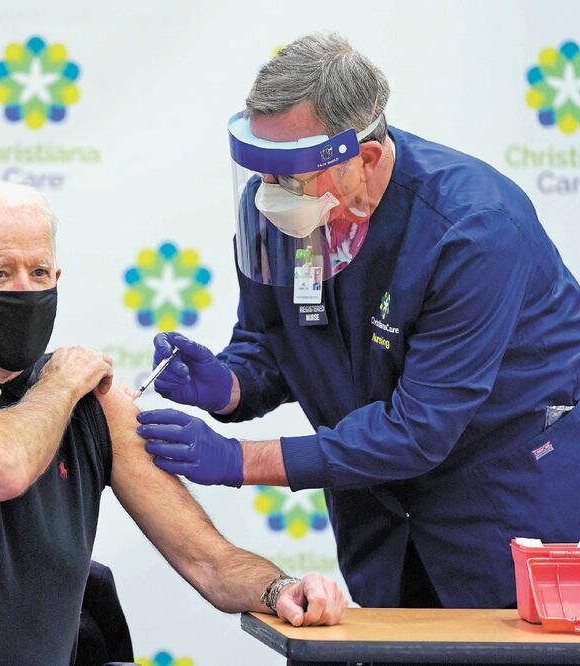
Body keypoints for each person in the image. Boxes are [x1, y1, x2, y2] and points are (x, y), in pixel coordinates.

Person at [137, 32, 580, 610]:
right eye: (262, 173)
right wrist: (230, 385)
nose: (269, 196)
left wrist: (240, 460)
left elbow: (420, 428)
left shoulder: (474, 229)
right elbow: (276, 344)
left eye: (289, 177)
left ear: (364, 159)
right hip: (380, 519)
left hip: (503, 507)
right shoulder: (280, 212)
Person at [0, 182, 346, 665]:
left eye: (41, 273)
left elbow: (208, 560)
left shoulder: (92, 405)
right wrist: (61, 381)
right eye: (0, 274)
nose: (26, 291)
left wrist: (281, 589)